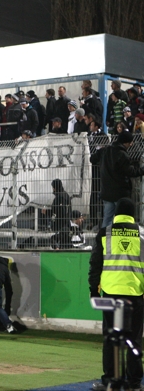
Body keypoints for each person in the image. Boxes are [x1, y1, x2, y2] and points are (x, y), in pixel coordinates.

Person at [89, 198, 144, 391]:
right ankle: (135, 384)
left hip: (110, 294)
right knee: (134, 340)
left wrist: (92, 290)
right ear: (133, 214)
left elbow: (95, 265)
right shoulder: (142, 234)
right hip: (135, 294)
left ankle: (111, 382)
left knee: (111, 339)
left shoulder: (105, 233)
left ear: (116, 212)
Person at [91, 131, 144, 228]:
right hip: (120, 193)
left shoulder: (105, 150)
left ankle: (105, 240)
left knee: (107, 219)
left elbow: (92, 159)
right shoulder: (122, 154)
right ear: (126, 142)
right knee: (122, 219)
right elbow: (131, 172)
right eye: (130, 142)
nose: (131, 144)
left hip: (106, 192)